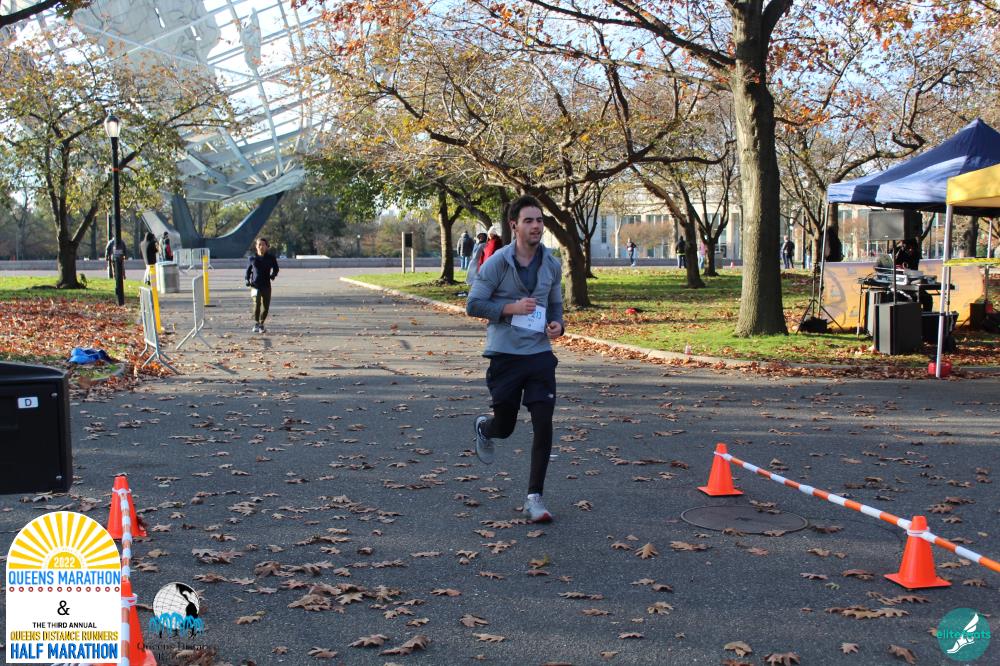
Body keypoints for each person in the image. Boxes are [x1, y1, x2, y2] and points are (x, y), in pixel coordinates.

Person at [467, 195, 565, 524]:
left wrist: (558, 325)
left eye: (539, 220)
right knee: (505, 426)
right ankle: (486, 428)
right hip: (505, 355)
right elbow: (473, 305)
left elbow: (555, 305)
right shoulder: (497, 263)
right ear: (514, 226)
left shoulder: (551, 263)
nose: (536, 226)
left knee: (543, 423)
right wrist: (511, 308)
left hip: (539, 355)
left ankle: (534, 498)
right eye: (529, 221)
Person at [245, 237, 279, 333]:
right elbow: (248, 271)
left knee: (266, 307)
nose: (261, 246)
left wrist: (273, 275)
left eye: (263, 245)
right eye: (259, 244)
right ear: (256, 246)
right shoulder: (252, 258)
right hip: (255, 285)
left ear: (267, 246)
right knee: (257, 304)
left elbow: (276, 268)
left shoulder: (271, 258)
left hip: (266, 285)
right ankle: (256, 323)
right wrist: (247, 280)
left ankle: (261, 324)